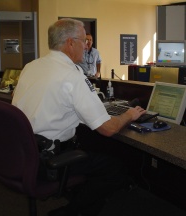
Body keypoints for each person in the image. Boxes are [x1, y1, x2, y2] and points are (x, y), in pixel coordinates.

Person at [12, 18, 146, 216]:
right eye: (84, 41)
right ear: (70, 42)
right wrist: (129, 114)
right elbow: (108, 128)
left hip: (20, 153)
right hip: (48, 160)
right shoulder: (72, 76)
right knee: (114, 169)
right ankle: (70, 212)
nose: (87, 46)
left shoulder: (32, 66)